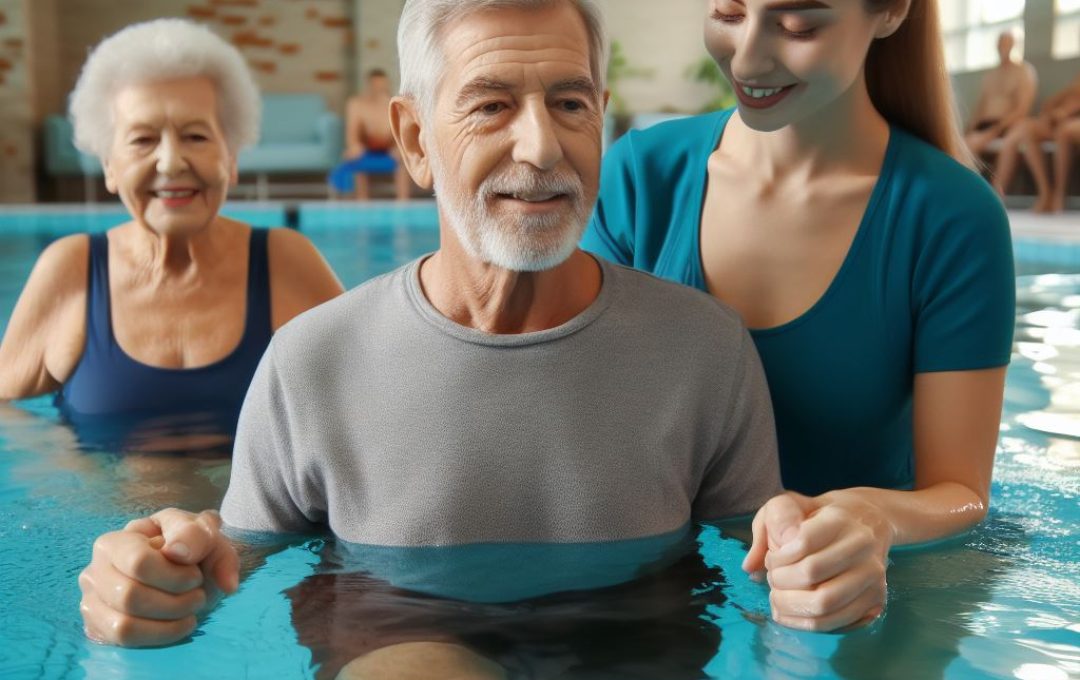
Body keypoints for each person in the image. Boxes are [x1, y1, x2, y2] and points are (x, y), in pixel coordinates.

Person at [77, 3, 782, 674]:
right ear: (415, 140)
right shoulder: (312, 361)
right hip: (400, 633)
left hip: (640, 643)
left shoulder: (705, 351)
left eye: (570, 104)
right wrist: (157, 578)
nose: (540, 147)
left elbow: (765, 574)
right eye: (491, 105)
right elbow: (234, 562)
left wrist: (819, 574)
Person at [582, 0, 1015, 632]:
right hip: (667, 582)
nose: (749, 57)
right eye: (728, 14)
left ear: (892, 11)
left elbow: (961, 494)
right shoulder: (640, 177)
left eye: (798, 25)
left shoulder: (952, 220)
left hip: (863, 591)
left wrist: (872, 519)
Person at [0, 19, 343, 452]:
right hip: (108, 520)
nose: (170, 162)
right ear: (109, 165)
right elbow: (6, 416)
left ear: (231, 157)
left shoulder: (286, 261)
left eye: (195, 136)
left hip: (252, 521)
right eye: (142, 140)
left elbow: (371, 403)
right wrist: (82, 477)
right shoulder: (71, 269)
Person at [992, 73, 1080, 212]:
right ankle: (1045, 191)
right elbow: (1051, 104)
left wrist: (1065, 112)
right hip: (1058, 122)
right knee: (1025, 132)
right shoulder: (1074, 84)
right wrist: (1053, 113)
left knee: (1064, 132)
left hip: (1069, 124)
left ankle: (1059, 193)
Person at [329, 69, 414, 200]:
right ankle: (362, 202)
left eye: (382, 84)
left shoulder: (395, 104)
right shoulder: (356, 104)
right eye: (375, 85)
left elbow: (402, 130)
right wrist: (354, 146)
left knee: (403, 158)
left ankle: (403, 202)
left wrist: (399, 147)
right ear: (369, 85)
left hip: (389, 147)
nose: (379, 88)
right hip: (366, 147)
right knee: (355, 157)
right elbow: (352, 132)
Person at [963, 31, 1037, 157]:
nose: (1003, 48)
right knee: (957, 145)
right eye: (1001, 44)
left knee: (967, 147)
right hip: (984, 126)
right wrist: (969, 129)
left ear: (1014, 46)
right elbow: (981, 108)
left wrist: (994, 131)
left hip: (1004, 127)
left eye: (1007, 44)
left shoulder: (1023, 71)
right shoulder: (990, 75)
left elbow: (1022, 110)